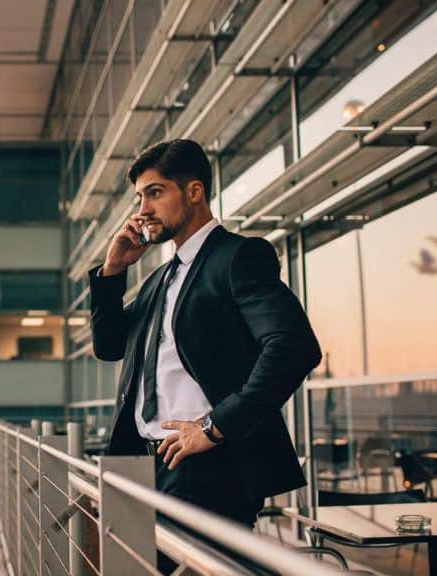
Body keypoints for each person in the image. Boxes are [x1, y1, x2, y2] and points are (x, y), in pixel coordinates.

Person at [88, 139, 321, 567]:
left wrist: (216, 426)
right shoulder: (161, 278)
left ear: (194, 192)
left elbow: (294, 346)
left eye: (155, 193)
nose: (143, 208)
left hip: (208, 466)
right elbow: (110, 346)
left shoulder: (238, 258)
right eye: (140, 196)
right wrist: (112, 273)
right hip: (148, 462)